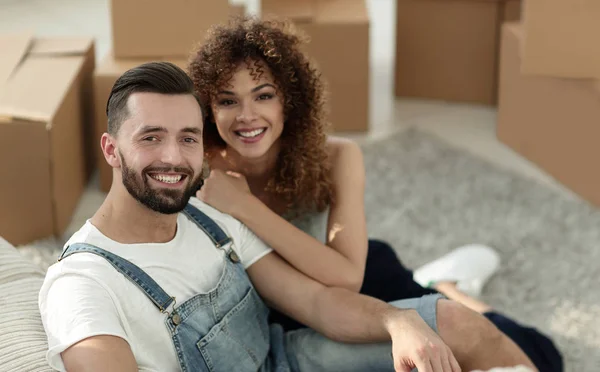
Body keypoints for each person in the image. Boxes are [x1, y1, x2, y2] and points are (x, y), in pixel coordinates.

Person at [38, 61, 536, 372]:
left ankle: (440, 290)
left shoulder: (208, 216)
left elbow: (318, 302)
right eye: (150, 137)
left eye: (188, 137)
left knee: (456, 325)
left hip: (286, 359)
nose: (174, 157)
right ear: (111, 148)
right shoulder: (82, 284)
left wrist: (396, 319)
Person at [187, 16, 563, 372]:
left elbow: (348, 277)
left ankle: (448, 288)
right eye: (227, 100)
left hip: (366, 287)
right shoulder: (201, 174)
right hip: (290, 316)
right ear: (208, 107)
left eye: (263, 95)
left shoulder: (337, 156)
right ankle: (446, 288)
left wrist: (244, 206)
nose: (246, 116)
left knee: (542, 356)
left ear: (289, 99)